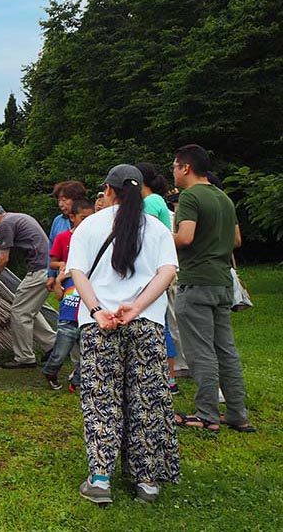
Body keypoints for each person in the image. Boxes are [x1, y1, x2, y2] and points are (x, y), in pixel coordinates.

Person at [68, 164, 179, 505]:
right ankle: (147, 481)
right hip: (145, 323)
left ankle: (100, 480)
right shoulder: (158, 227)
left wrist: (97, 309)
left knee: (101, 397)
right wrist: (137, 305)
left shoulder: (89, 226)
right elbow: (168, 271)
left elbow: (77, 272)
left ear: (109, 190)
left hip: (100, 325)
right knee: (147, 398)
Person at [171, 145, 255, 433]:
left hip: (196, 281)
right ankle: (237, 414)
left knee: (200, 350)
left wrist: (158, 239)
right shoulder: (224, 198)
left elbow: (185, 237)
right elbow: (236, 240)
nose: (173, 172)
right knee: (226, 349)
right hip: (221, 282)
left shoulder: (191, 196)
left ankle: (206, 414)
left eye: (174, 166)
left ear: (186, 168)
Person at [0, 202, 57, 368]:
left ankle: (24, 357)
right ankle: (53, 345)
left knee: (19, 311)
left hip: (40, 269)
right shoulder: (16, 217)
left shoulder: (5, 224)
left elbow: (3, 258)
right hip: (45, 267)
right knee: (29, 310)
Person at [136, 162, 180, 394]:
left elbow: (145, 233)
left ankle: (169, 378)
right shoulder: (152, 200)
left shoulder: (151, 201)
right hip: (154, 269)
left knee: (158, 323)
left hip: (155, 270)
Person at [42, 198, 94, 390]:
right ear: (72, 218)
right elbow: (53, 261)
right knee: (63, 344)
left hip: (89, 300)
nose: (87, 222)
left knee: (89, 346)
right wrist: (61, 272)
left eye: (91, 218)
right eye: (83, 218)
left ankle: (78, 381)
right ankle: (51, 370)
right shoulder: (64, 237)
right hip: (70, 297)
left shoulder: (96, 237)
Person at [47, 181, 87, 292]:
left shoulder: (89, 218)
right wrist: (50, 275)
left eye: (64, 200)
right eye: (59, 200)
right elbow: (51, 247)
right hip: (62, 276)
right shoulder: (58, 220)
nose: (60, 204)